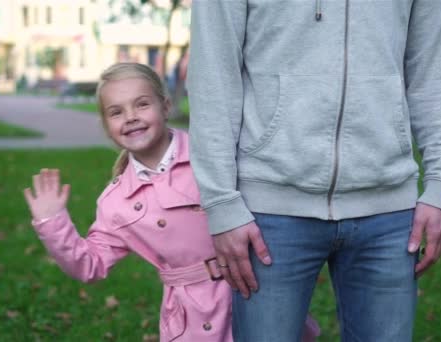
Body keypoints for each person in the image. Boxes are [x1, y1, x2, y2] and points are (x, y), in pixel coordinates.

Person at [187, 1, 441, 341]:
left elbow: (437, 69)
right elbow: (213, 76)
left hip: (389, 213)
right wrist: (221, 204)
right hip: (268, 211)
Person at [22, 63, 319, 342]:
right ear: (106, 126)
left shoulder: (211, 155)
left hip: (254, 286)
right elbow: (91, 265)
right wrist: (53, 223)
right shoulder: (117, 202)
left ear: (165, 106)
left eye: (142, 104)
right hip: (194, 317)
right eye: (116, 112)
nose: (131, 117)